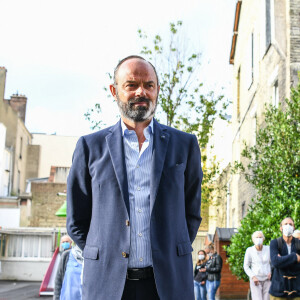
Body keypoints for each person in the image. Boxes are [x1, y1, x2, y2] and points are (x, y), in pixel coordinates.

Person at [67, 55, 203, 300]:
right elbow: (76, 220)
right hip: (108, 285)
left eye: (149, 85)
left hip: (168, 284)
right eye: (131, 85)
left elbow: (191, 214)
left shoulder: (185, 145)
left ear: (157, 90)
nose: (142, 91)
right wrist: (105, 253)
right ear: (114, 90)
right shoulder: (90, 147)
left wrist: (170, 250)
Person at [269, 217, 300, 299]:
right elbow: (275, 262)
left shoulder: (299, 243)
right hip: (278, 290)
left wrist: (282, 260)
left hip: (297, 290)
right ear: (281, 228)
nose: (288, 226)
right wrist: (295, 257)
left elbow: (279, 262)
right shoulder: (275, 243)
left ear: (294, 228)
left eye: (290, 224)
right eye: (285, 224)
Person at [243, 231, 271, 300]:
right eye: (257, 237)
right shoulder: (249, 250)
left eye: (260, 237)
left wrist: (271, 272)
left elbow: (273, 263)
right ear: (253, 239)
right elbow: (246, 266)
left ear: (263, 239)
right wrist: (253, 276)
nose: (258, 239)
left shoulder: (268, 249)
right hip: (256, 280)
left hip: (267, 279)